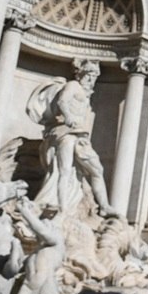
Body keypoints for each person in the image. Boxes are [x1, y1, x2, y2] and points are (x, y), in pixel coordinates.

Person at [30, 59, 118, 218]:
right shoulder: (73, 86)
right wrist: (68, 116)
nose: (92, 79)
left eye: (94, 76)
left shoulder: (86, 93)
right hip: (66, 132)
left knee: (97, 169)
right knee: (64, 170)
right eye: (89, 74)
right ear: (82, 73)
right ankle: (62, 208)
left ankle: (104, 206)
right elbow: (63, 101)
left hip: (80, 135)